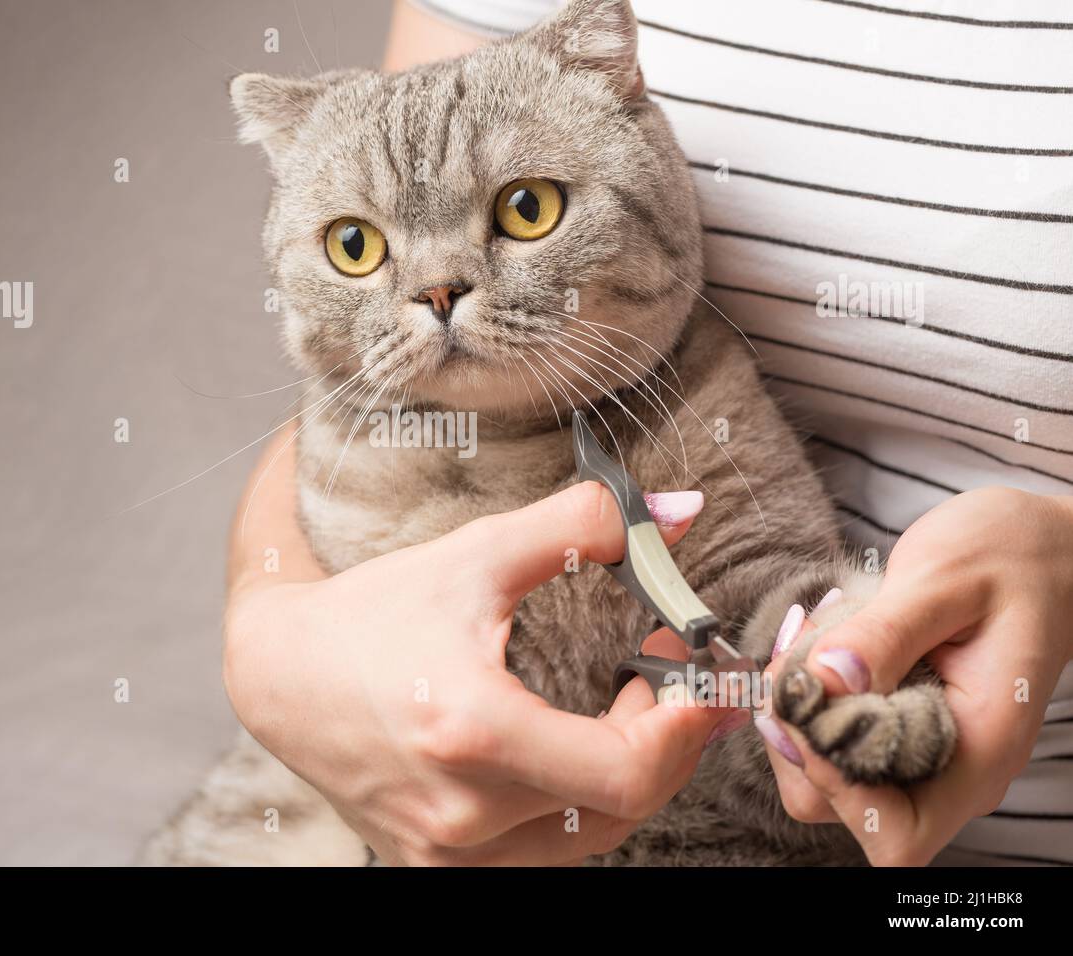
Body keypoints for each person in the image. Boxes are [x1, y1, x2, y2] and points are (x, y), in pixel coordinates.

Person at [222, 0, 1073, 866]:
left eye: (524, 207)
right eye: (359, 247)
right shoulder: (362, 449)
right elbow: (295, 585)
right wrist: (268, 638)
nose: (439, 288)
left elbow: (773, 657)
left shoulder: (699, 403)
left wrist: (834, 682)